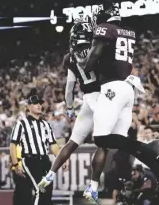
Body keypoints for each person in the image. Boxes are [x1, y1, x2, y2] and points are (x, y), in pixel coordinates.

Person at [75, 2, 159, 203]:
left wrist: (81, 61)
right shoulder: (127, 31)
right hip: (127, 88)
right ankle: (152, 157)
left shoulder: (105, 29)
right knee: (117, 139)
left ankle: (150, 149)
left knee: (101, 139)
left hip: (112, 88)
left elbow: (92, 60)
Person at [38, 20, 102, 190]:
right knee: (105, 144)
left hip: (88, 99)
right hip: (102, 97)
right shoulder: (98, 49)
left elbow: (69, 88)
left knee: (73, 141)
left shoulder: (70, 58)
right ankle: (93, 186)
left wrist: (70, 108)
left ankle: (50, 175)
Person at [10, 95, 68, 205]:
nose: (39, 105)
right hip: (30, 160)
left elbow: (53, 145)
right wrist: (16, 164)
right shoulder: (21, 123)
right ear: (28, 106)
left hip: (45, 161)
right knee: (39, 190)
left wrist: (62, 159)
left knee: (47, 192)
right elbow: (13, 144)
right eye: (35, 103)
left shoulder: (46, 124)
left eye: (40, 103)